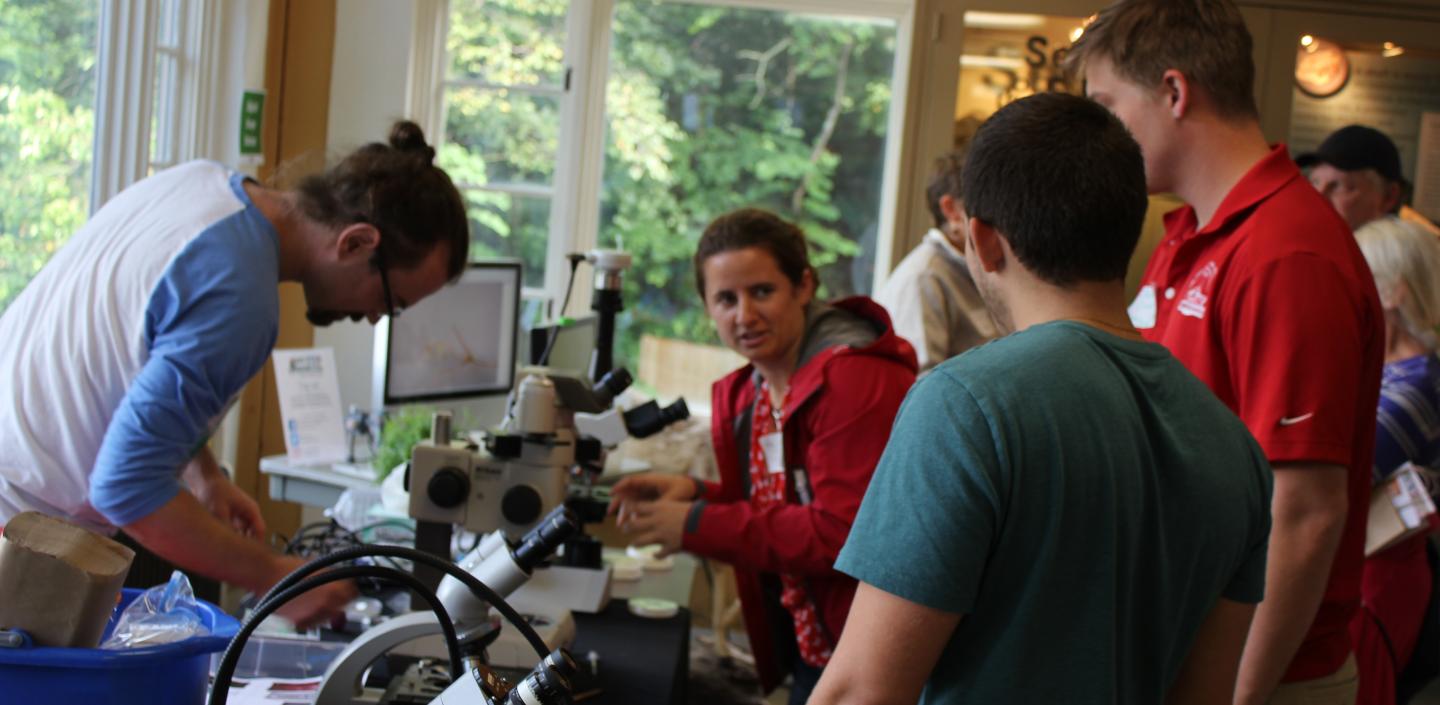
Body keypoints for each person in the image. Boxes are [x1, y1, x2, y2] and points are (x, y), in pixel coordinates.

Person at [807, 91, 1273, 705]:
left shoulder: (964, 406)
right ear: (1126, 232)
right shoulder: (1237, 449)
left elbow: (861, 692)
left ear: (983, 240)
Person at [0, 121, 470, 628]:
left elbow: (130, 354)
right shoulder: (242, 301)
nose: (376, 317)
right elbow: (126, 486)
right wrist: (275, 575)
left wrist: (201, 472)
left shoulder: (201, 183)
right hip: (24, 537)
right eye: (390, 300)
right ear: (356, 243)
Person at [1071, 1, 1385, 702]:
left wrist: (1235, 693)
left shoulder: (1287, 252)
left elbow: (1303, 510)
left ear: (1174, 92)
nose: (1102, 132)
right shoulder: (1185, 236)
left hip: (1262, 673)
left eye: (1106, 104)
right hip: (1178, 648)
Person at [608, 208, 917, 704]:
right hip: (811, 643)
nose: (744, 316)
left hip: (869, 652)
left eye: (762, 292)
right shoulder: (753, 388)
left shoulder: (856, 380)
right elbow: (776, 501)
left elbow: (842, 533)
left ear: (804, 286)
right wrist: (692, 493)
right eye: (725, 299)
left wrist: (695, 523)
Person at [1349, 217, 1440, 705]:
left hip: (1373, 592)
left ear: (1392, 293)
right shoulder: (1406, 374)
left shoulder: (1412, 388)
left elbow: (1337, 482)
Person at [873, 151, 996, 372]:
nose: (998, 214)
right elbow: (920, 382)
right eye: (985, 202)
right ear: (951, 210)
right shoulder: (924, 278)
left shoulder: (980, 266)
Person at [1297, 124, 1440, 234]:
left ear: (1389, 196)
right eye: (1315, 182)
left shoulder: (1402, 267)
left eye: (1338, 186)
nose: (1317, 198)